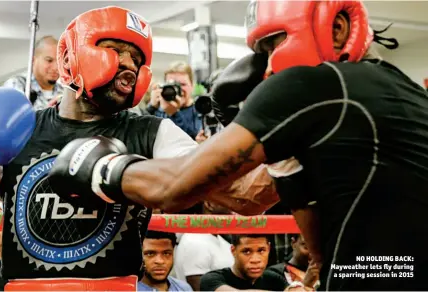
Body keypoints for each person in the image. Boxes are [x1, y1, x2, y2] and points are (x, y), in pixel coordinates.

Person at [47, 1, 428, 290]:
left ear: (338, 27)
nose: (267, 66)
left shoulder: (311, 84)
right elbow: (308, 229)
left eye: (274, 44)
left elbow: (175, 187)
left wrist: (102, 167)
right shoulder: (408, 92)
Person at [0, 6, 276, 290]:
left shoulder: (153, 132)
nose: (130, 66)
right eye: (116, 51)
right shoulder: (20, 128)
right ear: (69, 58)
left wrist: (280, 128)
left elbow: (245, 196)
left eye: (138, 60)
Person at [173, 202, 234, 290]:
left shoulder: (219, 239)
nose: (234, 204)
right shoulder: (195, 240)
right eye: (228, 197)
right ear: (210, 204)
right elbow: (200, 289)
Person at [200, 234, 287, 291]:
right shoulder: (212, 279)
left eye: (261, 251)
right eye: (247, 252)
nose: (255, 260)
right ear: (233, 250)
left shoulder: (273, 278)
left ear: (268, 248)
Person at [4, 36, 63, 110]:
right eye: (49, 60)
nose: (56, 67)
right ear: (33, 60)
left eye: (59, 62)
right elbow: (14, 118)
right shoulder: (17, 85)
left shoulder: (64, 93)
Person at [146, 62, 202, 139]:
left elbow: (189, 142)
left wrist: (174, 114)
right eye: (172, 84)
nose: (177, 89)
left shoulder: (199, 110)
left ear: (192, 85)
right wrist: (151, 107)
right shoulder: (159, 108)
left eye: (182, 84)